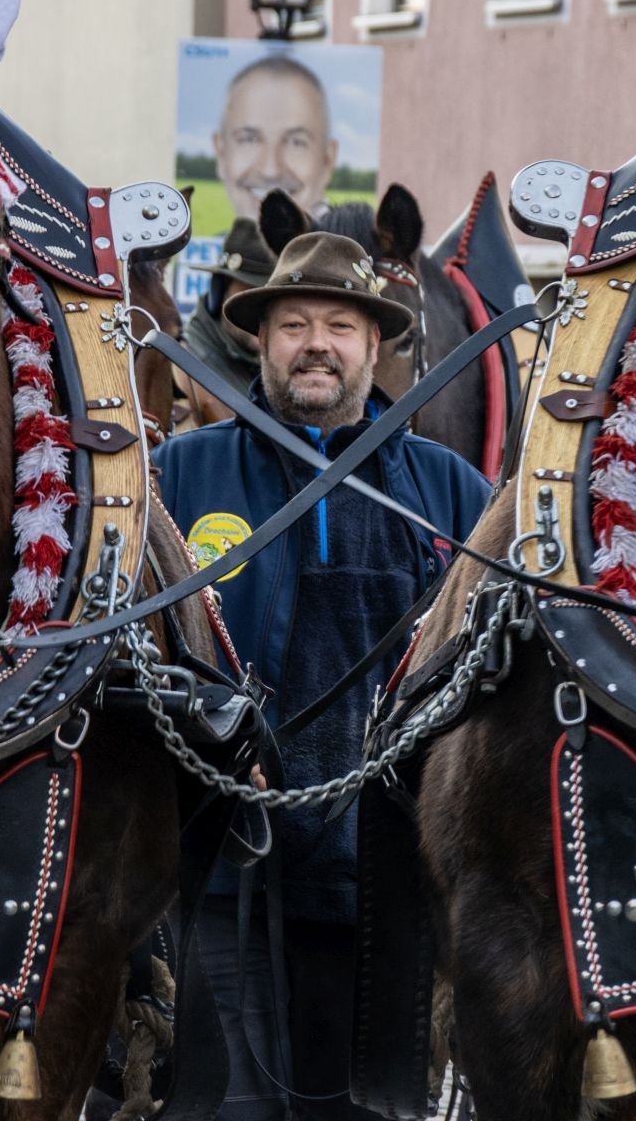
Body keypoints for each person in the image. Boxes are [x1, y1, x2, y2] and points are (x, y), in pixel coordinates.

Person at [153, 231, 490, 1120]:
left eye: (341, 325)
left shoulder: (453, 492)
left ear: (375, 347)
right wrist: (205, 731)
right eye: (293, 322)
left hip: (390, 888)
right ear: (258, 343)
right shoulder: (178, 476)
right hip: (224, 872)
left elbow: (495, 673)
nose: (316, 342)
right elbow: (130, 654)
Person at [176, 218, 275, 429]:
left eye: (272, 301)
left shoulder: (288, 367)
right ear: (219, 292)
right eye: (248, 295)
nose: (261, 313)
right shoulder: (180, 371)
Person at [213, 55, 339, 220]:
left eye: (296, 143)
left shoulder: (357, 245)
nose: (270, 171)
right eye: (248, 139)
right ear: (221, 153)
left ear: (327, 160)